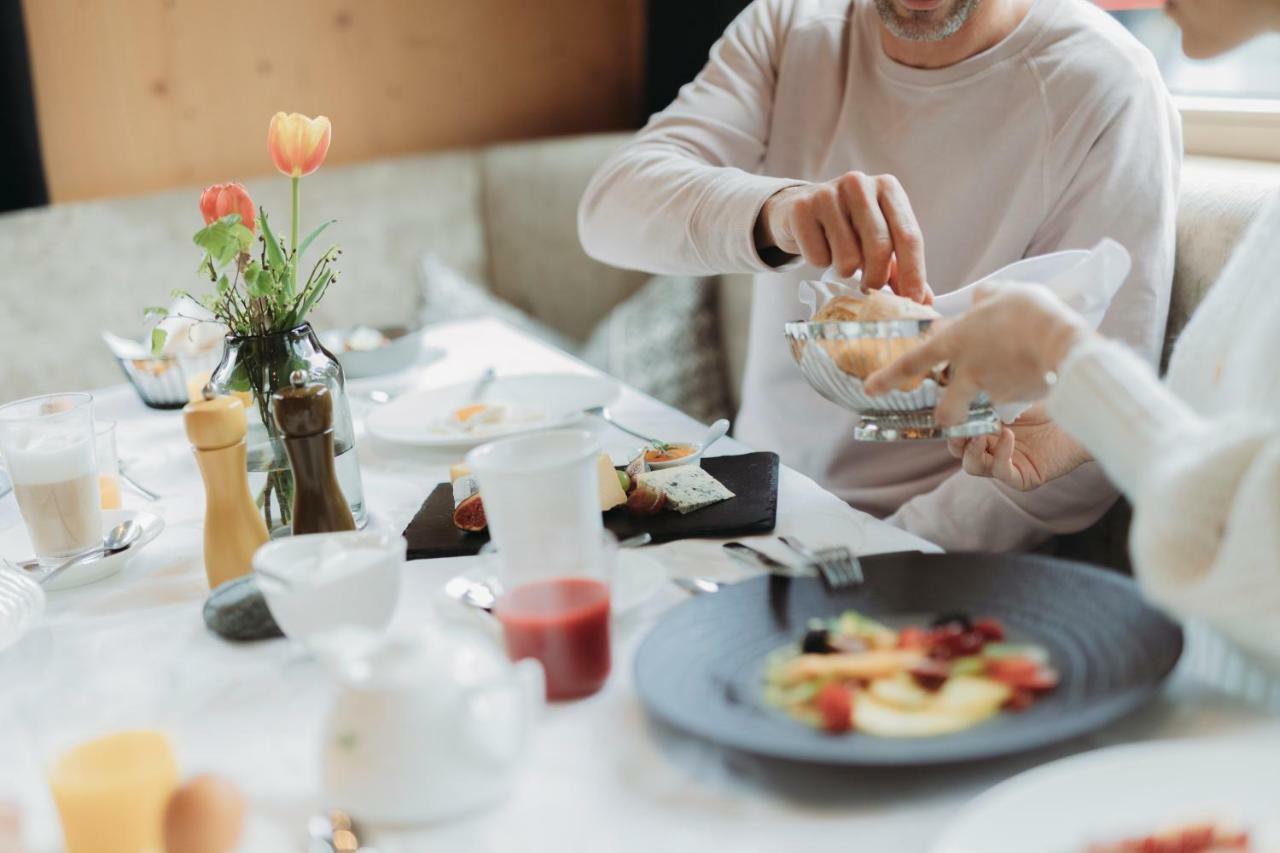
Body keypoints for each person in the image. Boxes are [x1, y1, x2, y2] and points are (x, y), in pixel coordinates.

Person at [579, 0, 1181, 551]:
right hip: (751, 504)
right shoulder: (791, 24)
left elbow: (1093, 430)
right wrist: (780, 212)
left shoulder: (1104, 84)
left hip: (925, 550)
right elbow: (608, 209)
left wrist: (871, 550)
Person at [864, 0, 1280, 679]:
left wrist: (1067, 359)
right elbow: (1241, 475)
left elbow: (1262, 562)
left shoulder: (1112, 84)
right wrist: (1088, 424)